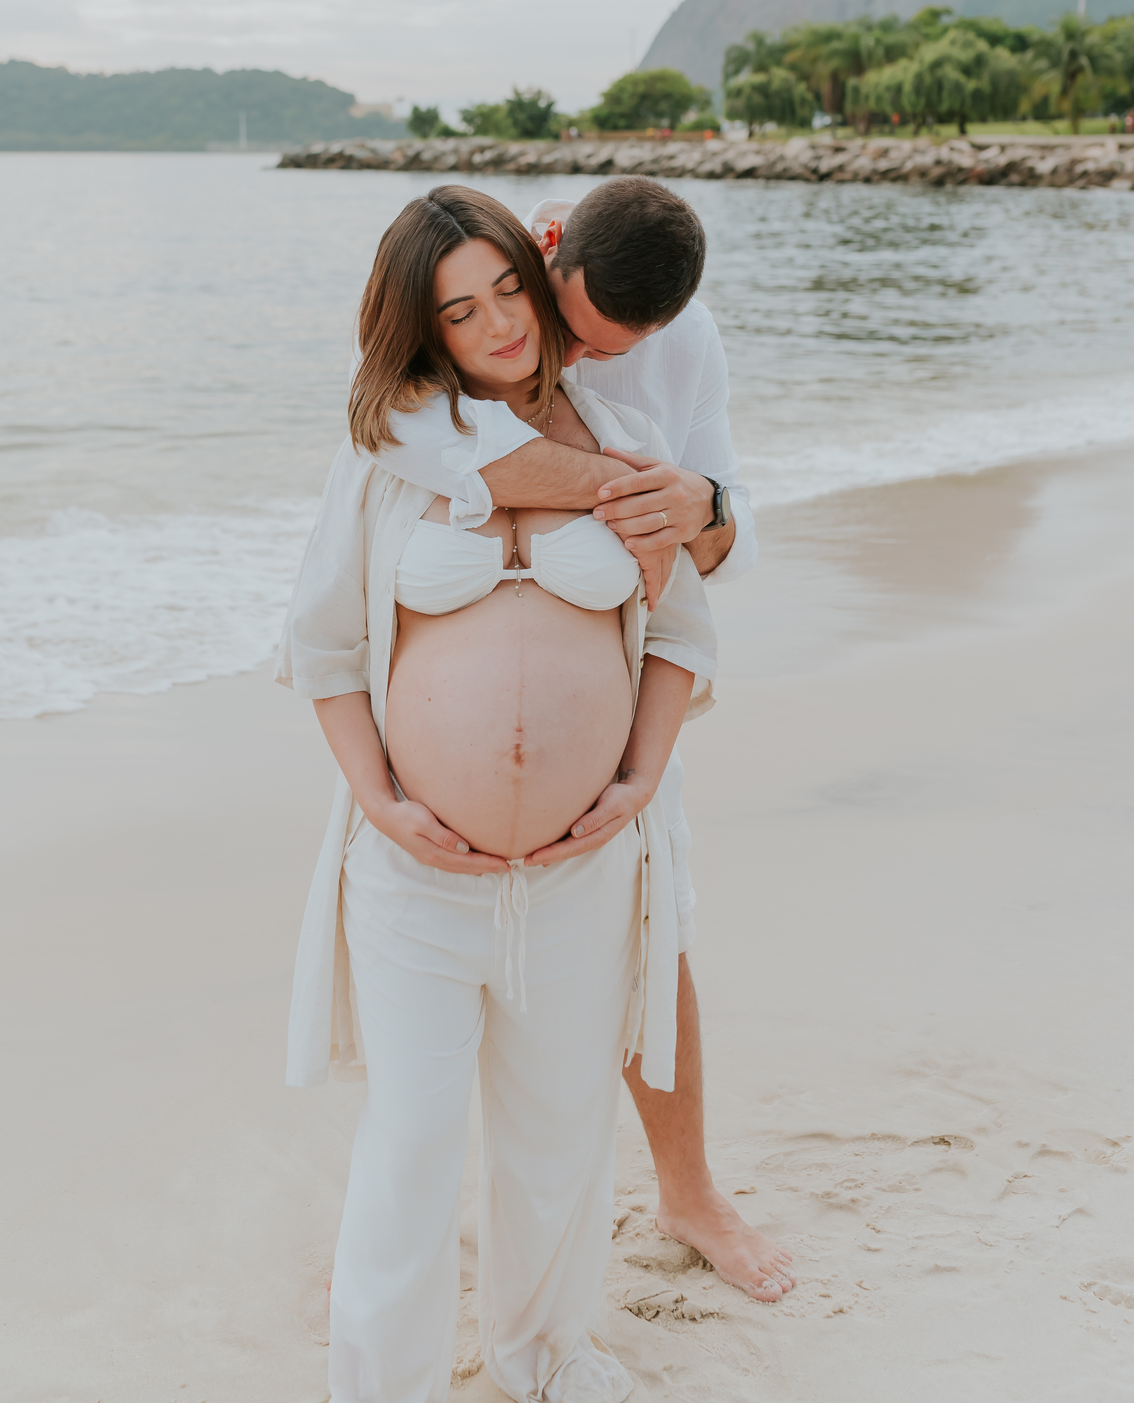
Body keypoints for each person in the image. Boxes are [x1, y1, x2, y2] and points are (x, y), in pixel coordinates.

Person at [277, 188, 718, 1401]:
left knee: (557, 1137)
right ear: (430, 328)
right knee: (411, 1144)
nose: (496, 324)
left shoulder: (620, 437)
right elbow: (320, 648)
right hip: (421, 873)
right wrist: (382, 801)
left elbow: (684, 632)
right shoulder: (390, 450)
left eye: (506, 290)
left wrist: (638, 777)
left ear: (540, 269)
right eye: (459, 311)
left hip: (579, 870)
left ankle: (550, 1360)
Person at [361, 175, 794, 1302]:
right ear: (549, 252)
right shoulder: (484, 288)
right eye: (576, 330)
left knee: (661, 940)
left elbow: (727, 541)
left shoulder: (683, 346)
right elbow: (421, 436)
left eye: (620, 348)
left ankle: (689, 1192)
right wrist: (622, 487)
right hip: (436, 769)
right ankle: (399, 1228)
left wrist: (701, 511)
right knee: (425, 1024)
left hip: (622, 716)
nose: (581, 361)